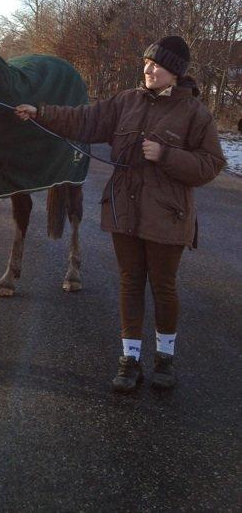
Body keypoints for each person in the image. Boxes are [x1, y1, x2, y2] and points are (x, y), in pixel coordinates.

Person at [15, 36, 226, 392]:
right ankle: (129, 360)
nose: (148, 69)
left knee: (163, 286)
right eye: (146, 62)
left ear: (174, 72)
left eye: (156, 65)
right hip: (124, 209)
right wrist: (41, 113)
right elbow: (84, 119)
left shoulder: (195, 114)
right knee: (129, 283)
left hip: (168, 215)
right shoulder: (126, 101)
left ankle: (164, 359)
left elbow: (211, 164)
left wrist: (166, 154)